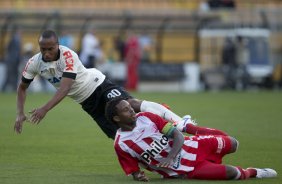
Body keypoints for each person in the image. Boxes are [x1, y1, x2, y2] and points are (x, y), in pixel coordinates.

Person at [14, 30, 186, 140]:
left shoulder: (67, 55)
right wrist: (20, 113)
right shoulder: (34, 63)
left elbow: (65, 88)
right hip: (87, 102)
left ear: (57, 45)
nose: (46, 52)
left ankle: (179, 122)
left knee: (132, 104)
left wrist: (45, 109)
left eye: (50, 48)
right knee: (119, 135)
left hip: (98, 85)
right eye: (43, 49)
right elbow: (22, 87)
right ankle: (162, 145)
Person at [105, 97, 277, 181]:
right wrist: (139, 176)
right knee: (234, 174)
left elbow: (177, 136)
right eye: (126, 110)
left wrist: (170, 156)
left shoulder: (147, 117)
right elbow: (134, 170)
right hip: (186, 170)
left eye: (130, 107)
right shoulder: (121, 144)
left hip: (193, 145)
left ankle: (188, 126)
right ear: (117, 118)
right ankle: (255, 172)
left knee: (233, 143)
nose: (132, 111)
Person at [2, 25, 22, 92]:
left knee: (13, 75)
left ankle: (9, 88)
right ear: (17, 31)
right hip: (12, 60)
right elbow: (8, 48)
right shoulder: (14, 38)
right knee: (10, 75)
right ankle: (7, 89)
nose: (21, 32)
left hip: (14, 60)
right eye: (19, 30)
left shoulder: (17, 39)